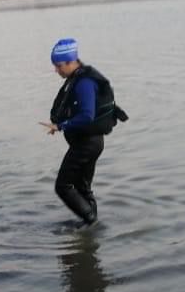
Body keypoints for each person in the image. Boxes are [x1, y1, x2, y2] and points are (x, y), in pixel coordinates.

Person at [41, 38, 127, 225]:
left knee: (63, 186)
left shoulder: (84, 83)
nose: (56, 70)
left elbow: (87, 115)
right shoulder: (80, 78)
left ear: (71, 62)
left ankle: (90, 221)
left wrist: (61, 126)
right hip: (92, 142)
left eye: (59, 65)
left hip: (87, 144)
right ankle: (91, 228)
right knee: (82, 187)